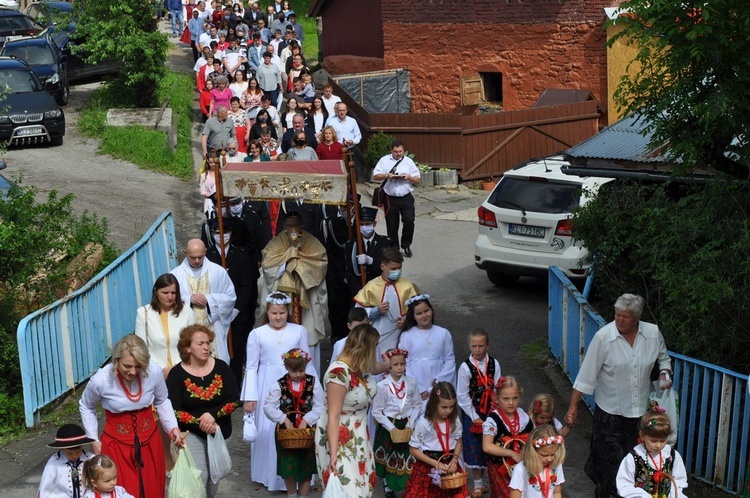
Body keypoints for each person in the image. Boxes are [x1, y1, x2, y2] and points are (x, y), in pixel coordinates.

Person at [564, 294, 673, 498]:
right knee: (610, 468)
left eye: (626, 316)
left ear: (637, 318)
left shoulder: (652, 333)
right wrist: (572, 406)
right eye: (617, 315)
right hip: (610, 414)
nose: (620, 320)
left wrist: (665, 373)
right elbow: (586, 375)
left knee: (637, 466)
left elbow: (664, 359)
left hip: (640, 414)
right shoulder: (604, 337)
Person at [78, 335, 182, 498]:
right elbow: (86, 406)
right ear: (116, 360)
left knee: (153, 491)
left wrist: (172, 428)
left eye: (138, 366)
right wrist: (93, 440)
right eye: (127, 366)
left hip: (150, 444)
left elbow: (162, 401)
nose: (133, 371)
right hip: (117, 447)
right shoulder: (101, 380)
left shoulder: (153, 371)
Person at [241, 292, 317, 491]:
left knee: (296, 424)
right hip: (266, 381)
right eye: (274, 313)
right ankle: (271, 475)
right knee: (269, 428)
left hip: (294, 383)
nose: (278, 317)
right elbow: (251, 366)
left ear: (288, 312)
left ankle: (298, 473)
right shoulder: (257, 334)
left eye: (282, 313)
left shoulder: (298, 330)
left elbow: (306, 361)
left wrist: (313, 388)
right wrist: (250, 396)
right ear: (267, 312)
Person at [166, 324, 240, 497]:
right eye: (200, 344)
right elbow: (174, 410)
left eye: (208, 343)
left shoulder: (221, 367)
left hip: (220, 432)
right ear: (187, 347)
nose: (206, 347)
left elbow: (234, 399)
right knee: (200, 475)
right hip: (190, 433)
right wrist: (203, 422)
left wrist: (212, 416)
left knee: (214, 478)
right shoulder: (177, 374)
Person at [259, 211, 328, 376]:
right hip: (284, 297)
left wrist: (300, 265)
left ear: (301, 225)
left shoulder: (312, 242)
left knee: (308, 339)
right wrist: (287, 262)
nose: (293, 228)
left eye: (296, 224)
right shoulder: (276, 243)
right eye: (289, 225)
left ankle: (310, 378)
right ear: (283, 226)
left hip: (307, 300)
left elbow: (320, 263)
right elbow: (268, 267)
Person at [315, 323, 379, 498]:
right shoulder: (339, 373)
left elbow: (376, 367)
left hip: (359, 432)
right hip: (340, 435)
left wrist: (390, 362)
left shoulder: (360, 366)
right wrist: (334, 454)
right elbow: (334, 416)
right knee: (349, 489)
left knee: (364, 484)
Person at [263, 348, 325, 498]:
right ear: (286, 368)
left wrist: (306, 419)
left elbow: (320, 406)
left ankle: (303, 496)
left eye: (301, 370)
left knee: (305, 467)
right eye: (294, 371)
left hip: (307, 432)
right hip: (286, 433)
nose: (298, 374)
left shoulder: (313, 383)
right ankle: (291, 495)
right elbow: (268, 406)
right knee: (288, 468)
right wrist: (283, 419)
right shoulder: (280, 385)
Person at [205, 219, 257, 383]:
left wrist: (237, 309)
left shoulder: (241, 255)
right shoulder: (208, 256)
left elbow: (247, 285)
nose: (221, 236)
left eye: (225, 232)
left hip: (237, 314)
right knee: (216, 348)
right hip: (215, 313)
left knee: (236, 349)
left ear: (231, 233)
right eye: (216, 233)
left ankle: (235, 386)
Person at [170, 239, 237, 364]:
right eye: (193, 257)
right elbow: (169, 301)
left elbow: (230, 297)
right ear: (185, 253)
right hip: (187, 328)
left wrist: (209, 299)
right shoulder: (175, 275)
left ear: (205, 252)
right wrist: (189, 299)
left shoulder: (218, 272)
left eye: (200, 257)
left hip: (212, 327)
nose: (197, 261)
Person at [457, 327, 502, 498]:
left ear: (488, 346)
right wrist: (474, 417)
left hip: (491, 410)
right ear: (469, 346)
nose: (477, 350)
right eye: (474, 346)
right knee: (475, 446)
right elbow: (462, 395)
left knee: (492, 445)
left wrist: (497, 410)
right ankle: (477, 484)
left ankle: (493, 481)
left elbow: (498, 387)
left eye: (481, 346)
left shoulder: (494, 363)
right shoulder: (465, 367)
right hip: (473, 411)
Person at [403, 381, 469, 498]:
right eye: (444, 407)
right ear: (434, 404)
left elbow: (458, 441)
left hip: (449, 465)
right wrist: (435, 463)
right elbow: (413, 449)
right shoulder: (424, 423)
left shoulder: (454, 420)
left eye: (451, 407)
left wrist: (454, 460)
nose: (448, 411)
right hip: (429, 465)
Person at [372, 348, 422, 498]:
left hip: (405, 425)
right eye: (395, 365)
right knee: (389, 454)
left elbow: (417, 404)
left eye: (402, 364)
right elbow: (376, 411)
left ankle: (406, 484)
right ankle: (388, 484)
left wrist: (410, 423)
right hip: (388, 425)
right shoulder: (382, 386)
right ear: (389, 366)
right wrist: (391, 427)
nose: (399, 367)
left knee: (405, 455)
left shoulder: (411, 383)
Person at [353, 246, 420, 355]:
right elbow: (357, 315)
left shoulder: (408, 286)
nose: (397, 271)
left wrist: (407, 323)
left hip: (402, 336)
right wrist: (375, 311)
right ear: (382, 267)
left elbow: (421, 312)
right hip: (378, 337)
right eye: (393, 269)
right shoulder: (371, 287)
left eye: (399, 268)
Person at [134, 273, 196, 379]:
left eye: (173, 293)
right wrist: (161, 368)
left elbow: (191, 342)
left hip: (184, 370)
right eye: (165, 292)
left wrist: (177, 369)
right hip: (154, 372)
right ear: (156, 291)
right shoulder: (143, 313)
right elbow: (140, 347)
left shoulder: (186, 311)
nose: (170, 297)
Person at [482, 376, 534, 498]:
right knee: (504, 494)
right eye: (506, 399)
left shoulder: (523, 416)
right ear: (497, 398)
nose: (511, 403)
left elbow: (533, 438)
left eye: (515, 398)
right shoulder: (493, 420)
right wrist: (511, 453)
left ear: (520, 397)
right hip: (499, 467)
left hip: (521, 464)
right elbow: (487, 446)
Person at [616, 411, 688, 498]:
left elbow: (679, 480)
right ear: (642, 435)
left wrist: (675, 495)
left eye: (663, 440)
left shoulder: (671, 455)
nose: (658, 445)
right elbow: (624, 485)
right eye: (653, 441)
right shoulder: (634, 457)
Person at [398, 294, 456, 400]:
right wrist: (419, 388)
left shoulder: (443, 333)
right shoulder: (407, 335)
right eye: (419, 313)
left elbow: (450, 359)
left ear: (432, 310)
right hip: (417, 384)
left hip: (439, 384)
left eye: (426, 311)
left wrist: (440, 381)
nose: (424, 316)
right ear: (413, 316)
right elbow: (405, 363)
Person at [372, 140, 421, 257]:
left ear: (403, 150)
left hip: (406, 197)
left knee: (409, 221)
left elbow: (418, 180)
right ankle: (394, 248)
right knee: (392, 225)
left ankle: (406, 245)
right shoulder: (384, 160)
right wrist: (386, 175)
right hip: (390, 198)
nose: (398, 154)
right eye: (396, 152)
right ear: (391, 151)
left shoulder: (408, 161)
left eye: (400, 151)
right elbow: (375, 175)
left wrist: (408, 177)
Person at [344, 206, 394, 295]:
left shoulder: (385, 243)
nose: (364, 227)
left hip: (380, 289)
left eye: (367, 224)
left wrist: (372, 261)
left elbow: (390, 269)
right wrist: (359, 291)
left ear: (374, 224)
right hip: (359, 290)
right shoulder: (352, 245)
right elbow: (349, 271)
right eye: (361, 224)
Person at [508, 425, 566, 498]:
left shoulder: (556, 465)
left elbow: (556, 492)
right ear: (532, 451)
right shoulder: (521, 469)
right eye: (544, 455)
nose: (549, 459)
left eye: (553, 454)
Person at [38, 424, 94, 498]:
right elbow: (45, 487)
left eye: (78, 452)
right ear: (62, 448)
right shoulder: (54, 462)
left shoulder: (90, 458)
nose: (74, 456)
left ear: (82, 446)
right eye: (70, 453)